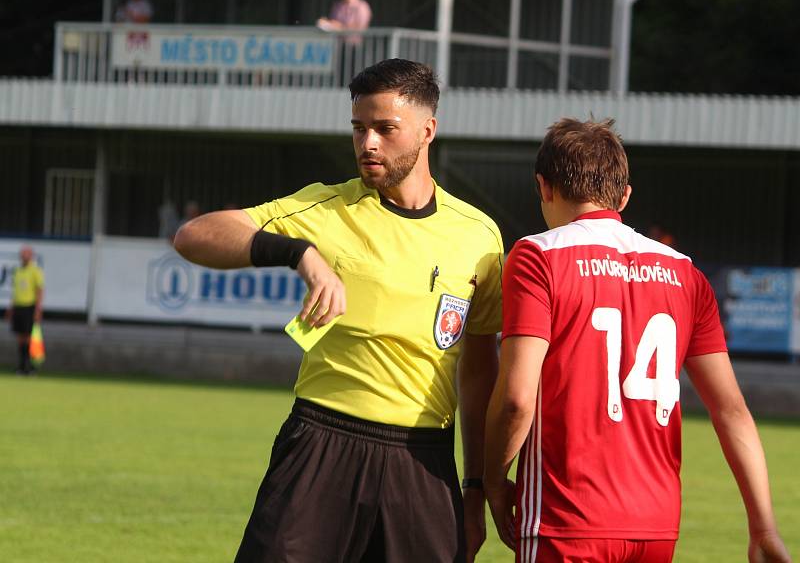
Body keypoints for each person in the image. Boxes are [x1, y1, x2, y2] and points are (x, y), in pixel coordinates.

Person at [173, 59, 503, 563]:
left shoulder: (479, 237)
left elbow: (480, 372)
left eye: (385, 129)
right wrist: (299, 253)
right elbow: (194, 235)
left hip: (423, 464)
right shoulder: (326, 209)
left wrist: (476, 486)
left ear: (427, 129)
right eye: (358, 128)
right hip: (320, 447)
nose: (368, 143)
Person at [483, 118, 791, 563]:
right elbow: (732, 411)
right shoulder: (686, 273)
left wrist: (493, 480)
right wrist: (763, 525)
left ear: (543, 187)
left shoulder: (537, 256)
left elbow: (515, 399)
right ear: (624, 196)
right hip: (655, 526)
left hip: (567, 518)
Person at [5, 246, 44, 375]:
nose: (24, 256)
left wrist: (38, 309)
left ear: (31, 255)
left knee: (28, 336)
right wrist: (11, 307)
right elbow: (15, 291)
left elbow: (39, 291)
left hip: (29, 306)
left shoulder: (35, 270)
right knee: (20, 337)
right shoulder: (18, 271)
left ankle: (29, 366)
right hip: (18, 306)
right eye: (22, 254)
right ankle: (21, 365)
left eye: (26, 254)